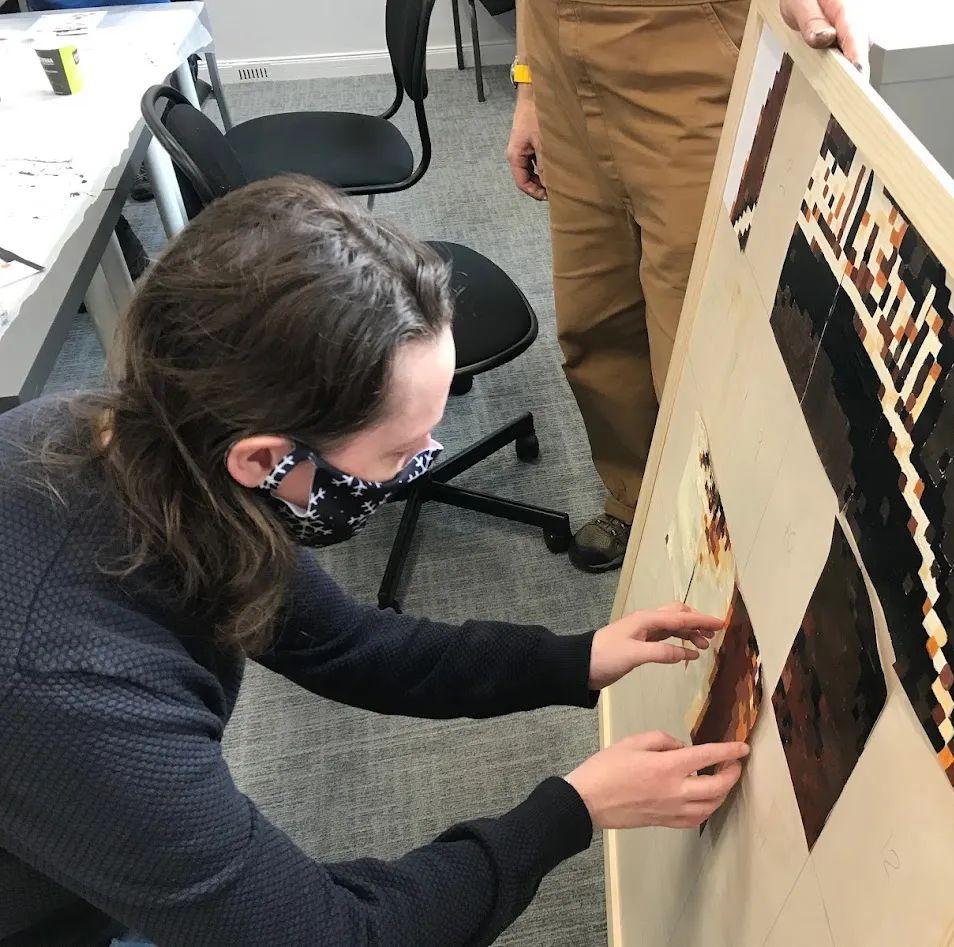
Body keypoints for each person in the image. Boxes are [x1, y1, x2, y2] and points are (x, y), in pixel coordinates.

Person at [0, 176, 750, 947]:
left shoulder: (139, 446)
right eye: (397, 449)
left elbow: (347, 643)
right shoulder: (78, 688)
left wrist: (576, 658)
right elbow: (339, 937)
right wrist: (572, 809)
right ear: (264, 456)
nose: (421, 464)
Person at [508, 0, 867, 573]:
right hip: (560, 63)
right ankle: (635, 500)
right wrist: (530, 87)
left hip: (680, 46)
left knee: (697, 336)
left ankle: (716, 536)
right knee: (592, 318)